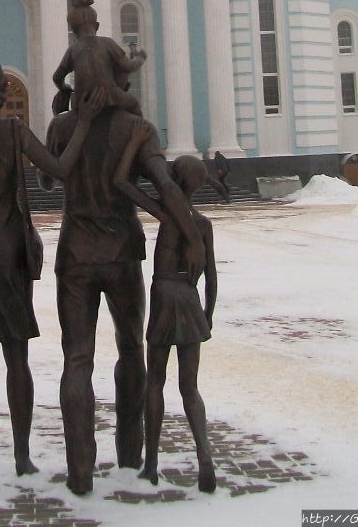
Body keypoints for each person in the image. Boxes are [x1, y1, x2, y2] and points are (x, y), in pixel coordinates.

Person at [0, 51, 103, 496]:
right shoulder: (14, 131)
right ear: (1, 90)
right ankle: (22, 454)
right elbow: (61, 169)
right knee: (16, 358)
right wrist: (81, 121)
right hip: (8, 253)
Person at [42, 97, 206, 496]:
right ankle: (132, 455)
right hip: (122, 254)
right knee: (131, 349)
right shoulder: (137, 127)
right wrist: (193, 234)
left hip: (76, 253)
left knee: (77, 359)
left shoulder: (63, 125)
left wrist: (60, 122)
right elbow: (164, 184)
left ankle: (80, 472)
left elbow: (47, 181)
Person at [113, 151, 217, 490]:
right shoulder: (202, 224)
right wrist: (208, 315)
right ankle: (204, 456)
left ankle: (152, 464)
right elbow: (212, 278)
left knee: (155, 381)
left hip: (164, 298)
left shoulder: (167, 213)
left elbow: (120, 183)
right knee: (190, 387)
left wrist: (134, 147)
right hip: (190, 302)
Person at [51, 0, 145, 116]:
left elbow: (56, 77)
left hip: (81, 101)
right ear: (97, 26)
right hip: (110, 96)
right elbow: (127, 67)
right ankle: (140, 132)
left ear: (73, 29)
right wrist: (140, 59)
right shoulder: (107, 43)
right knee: (134, 105)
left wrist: (64, 87)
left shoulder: (72, 50)